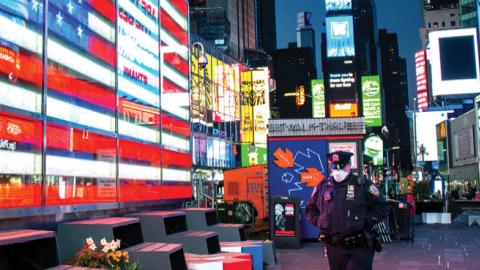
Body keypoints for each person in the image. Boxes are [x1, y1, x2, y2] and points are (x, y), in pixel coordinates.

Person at [305, 151, 388, 270]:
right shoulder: (323, 186)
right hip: (334, 246)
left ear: (349, 165)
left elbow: (382, 206)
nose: (337, 170)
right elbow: (310, 210)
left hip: (358, 247)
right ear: (330, 167)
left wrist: (364, 221)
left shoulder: (362, 185)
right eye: (334, 167)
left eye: (341, 166)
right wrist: (322, 222)